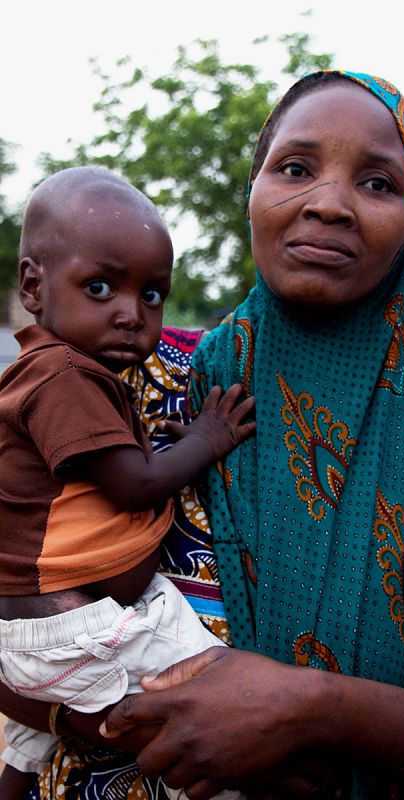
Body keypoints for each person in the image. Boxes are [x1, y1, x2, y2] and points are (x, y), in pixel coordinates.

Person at [0, 69, 404, 800]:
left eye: (378, 183)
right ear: (254, 192)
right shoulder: (126, 377)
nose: (329, 205)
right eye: (296, 168)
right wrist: (108, 720)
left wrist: (314, 708)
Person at [0, 167, 254, 799]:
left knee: (32, 738)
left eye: (151, 295)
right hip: (78, 625)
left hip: (52, 632)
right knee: (213, 697)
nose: (131, 316)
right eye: (99, 286)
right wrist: (206, 436)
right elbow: (135, 486)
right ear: (33, 285)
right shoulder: (63, 375)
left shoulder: (62, 374)